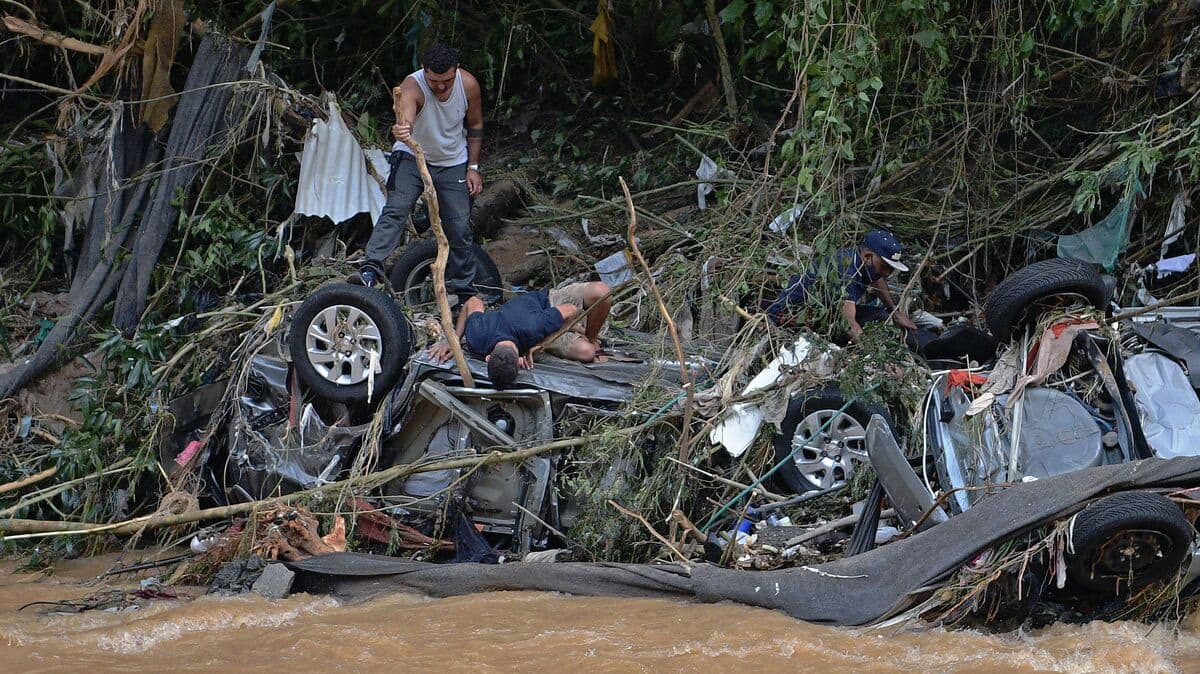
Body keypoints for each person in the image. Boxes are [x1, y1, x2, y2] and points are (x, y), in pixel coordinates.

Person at [350, 43, 484, 303]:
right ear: (424, 71)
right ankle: (370, 269)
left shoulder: (468, 85)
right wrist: (404, 129)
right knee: (397, 208)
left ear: (456, 70)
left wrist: (473, 167)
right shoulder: (412, 86)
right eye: (434, 81)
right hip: (412, 155)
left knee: (459, 226)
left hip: (453, 160)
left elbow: (476, 125)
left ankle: (464, 290)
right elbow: (407, 116)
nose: (441, 87)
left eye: (447, 81)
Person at [428, 281, 612, 387]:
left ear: (488, 358)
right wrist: (453, 341)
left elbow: (570, 309)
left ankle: (589, 335)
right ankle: (574, 328)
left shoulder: (533, 327)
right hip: (535, 325)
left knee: (601, 291)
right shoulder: (477, 337)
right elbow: (472, 302)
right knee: (587, 352)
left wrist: (540, 345)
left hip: (547, 303)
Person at [766, 230, 918, 342]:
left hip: (826, 312)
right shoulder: (845, 272)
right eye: (884, 266)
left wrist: (894, 311)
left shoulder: (862, 261)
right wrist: (874, 356)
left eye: (890, 269)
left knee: (880, 317)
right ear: (868, 256)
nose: (887, 273)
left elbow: (877, 279)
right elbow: (848, 324)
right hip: (792, 317)